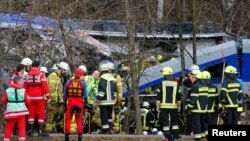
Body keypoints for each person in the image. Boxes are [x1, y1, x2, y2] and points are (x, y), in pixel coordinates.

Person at [24, 60, 51, 136]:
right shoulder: (41, 74)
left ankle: (30, 130)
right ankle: (40, 130)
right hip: (39, 97)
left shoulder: (27, 75)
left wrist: (24, 97)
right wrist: (48, 97)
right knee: (41, 113)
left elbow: (25, 87)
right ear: (38, 66)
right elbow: (45, 87)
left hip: (30, 97)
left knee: (31, 113)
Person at [2, 76, 30, 141]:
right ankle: (22, 139)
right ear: (19, 81)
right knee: (22, 127)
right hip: (21, 112)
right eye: (21, 81)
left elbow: (3, 101)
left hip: (11, 112)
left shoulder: (8, 90)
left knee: (8, 128)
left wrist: (10, 104)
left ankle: (6, 139)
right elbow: (28, 101)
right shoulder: (23, 91)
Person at [156, 67, 181, 139]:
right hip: (174, 106)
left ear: (165, 75)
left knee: (165, 122)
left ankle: (167, 137)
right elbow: (178, 97)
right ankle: (176, 136)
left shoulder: (161, 83)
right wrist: (179, 107)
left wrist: (157, 107)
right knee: (175, 122)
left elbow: (158, 97)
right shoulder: (176, 84)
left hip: (164, 107)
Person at [64, 68, 87, 141]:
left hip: (70, 102)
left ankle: (67, 138)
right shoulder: (83, 83)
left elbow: (65, 94)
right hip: (80, 103)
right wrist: (85, 104)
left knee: (68, 120)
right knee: (79, 120)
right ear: (81, 75)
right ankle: (80, 138)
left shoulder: (68, 82)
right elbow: (85, 95)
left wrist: (64, 103)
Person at [45, 62, 68, 133]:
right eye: (64, 70)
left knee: (58, 114)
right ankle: (48, 129)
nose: (64, 72)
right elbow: (51, 88)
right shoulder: (53, 75)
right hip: (53, 99)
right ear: (61, 69)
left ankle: (54, 127)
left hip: (57, 99)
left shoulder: (58, 76)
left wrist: (60, 99)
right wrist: (53, 99)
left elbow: (59, 89)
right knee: (51, 114)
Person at [187, 71, 208, 141]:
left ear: (196, 77)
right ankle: (203, 135)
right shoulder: (205, 86)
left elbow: (193, 99)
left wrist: (189, 107)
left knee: (197, 123)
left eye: (192, 77)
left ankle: (198, 137)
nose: (191, 78)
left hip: (196, 109)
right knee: (203, 122)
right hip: (204, 109)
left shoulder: (195, 86)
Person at [96, 63, 117, 134]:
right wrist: (114, 99)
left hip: (104, 101)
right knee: (109, 115)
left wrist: (98, 98)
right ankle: (110, 129)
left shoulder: (103, 78)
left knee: (104, 115)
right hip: (111, 101)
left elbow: (102, 90)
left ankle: (105, 130)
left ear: (101, 71)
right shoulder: (112, 78)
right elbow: (115, 90)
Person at [182, 64, 200, 135]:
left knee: (189, 118)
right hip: (198, 101)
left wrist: (189, 76)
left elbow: (184, 82)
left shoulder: (191, 77)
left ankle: (187, 133)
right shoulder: (200, 77)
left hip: (191, 101)